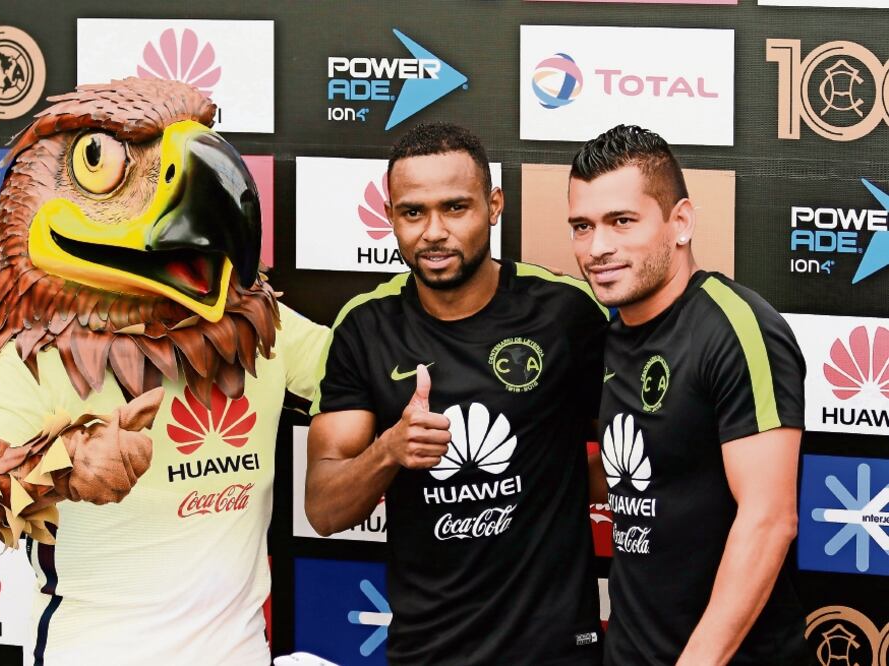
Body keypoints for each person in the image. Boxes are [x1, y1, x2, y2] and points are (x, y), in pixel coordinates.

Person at [0, 78, 331, 666]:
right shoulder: (34, 359)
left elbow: (362, 371)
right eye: (96, 162)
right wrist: (60, 464)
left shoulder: (264, 328)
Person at [305, 122, 608, 665]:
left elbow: (632, 451)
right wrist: (389, 450)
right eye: (412, 212)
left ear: (494, 206)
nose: (433, 232)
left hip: (556, 648)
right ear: (390, 216)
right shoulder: (364, 328)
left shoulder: (566, 313)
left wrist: (554, 477)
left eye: (455, 208)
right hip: (429, 649)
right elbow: (324, 511)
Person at [567, 124, 807, 665]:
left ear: (681, 222)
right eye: (582, 226)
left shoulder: (738, 327)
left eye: (621, 221)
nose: (598, 247)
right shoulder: (605, 339)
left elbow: (769, 520)